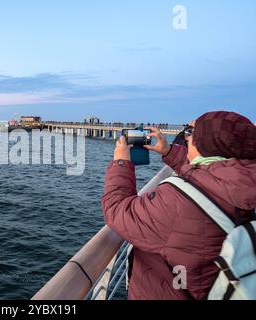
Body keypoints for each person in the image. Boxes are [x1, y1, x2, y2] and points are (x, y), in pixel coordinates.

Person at [101, 111, 256, 300]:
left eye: (191, 132)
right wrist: (168, 150)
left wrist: (121, 162)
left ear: (205, 144)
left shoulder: (177, 203)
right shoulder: (244, 180)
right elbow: (209, 176)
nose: (186, 136)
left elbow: (117, 211)